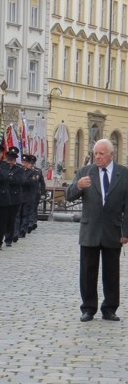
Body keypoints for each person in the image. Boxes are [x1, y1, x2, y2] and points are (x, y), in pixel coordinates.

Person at [66, 138, 128, 322]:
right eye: (95, 154)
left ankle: (109, 308)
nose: (98, 157)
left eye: (101, 154)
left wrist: (125, 232)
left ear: (111, 154)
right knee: (87, 271)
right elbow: (69, 196)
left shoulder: (123, 174)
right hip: (90, 230)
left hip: (113, 231)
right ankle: (88, 308)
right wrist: (78, 186)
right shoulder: (86, 172)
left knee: (111, 272)